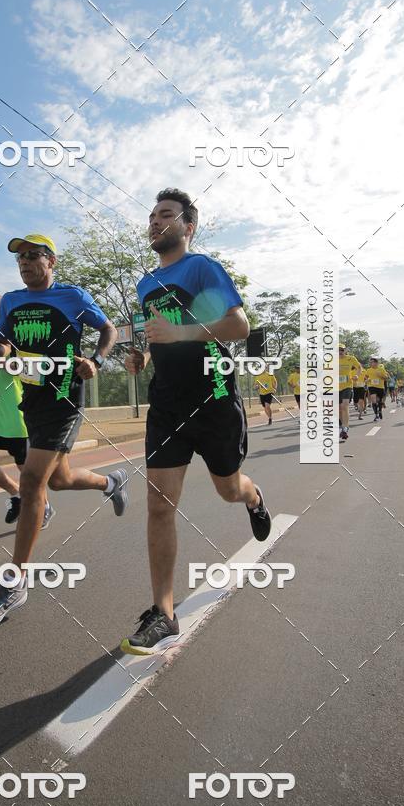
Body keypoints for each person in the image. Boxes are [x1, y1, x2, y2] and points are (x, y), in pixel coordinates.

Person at [120, 188, 271, 656]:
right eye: (151, 215)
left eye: (165, 214)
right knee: (159, 505)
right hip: (167, 404)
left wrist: (181, 332)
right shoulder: (145, 284)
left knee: (229, 489)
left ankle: (254, 496)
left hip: (214, 397)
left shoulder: (202, 268)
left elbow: (239, 326)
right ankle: (164, 614)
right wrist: (142, 356)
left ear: (187, 227)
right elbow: (155, 336)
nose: (154, 221)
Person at [0, 234, 126, 628]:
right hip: (32, 400)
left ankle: (15, 582)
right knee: (59, 479)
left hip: (65, 397)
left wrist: (96, 360)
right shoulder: (12, 301)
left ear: (51, 261)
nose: (24, 262)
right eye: (19, 258)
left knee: (32, 479)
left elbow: (109, 330)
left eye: (32, 255)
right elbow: (4, 346)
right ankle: (110, 482)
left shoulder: (73, 296)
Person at [0, 293, 54, 527]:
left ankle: (45, 507)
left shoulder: (12, 340)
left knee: (29, 474)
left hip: (16, 420)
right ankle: (15, 493)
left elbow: (9, 356)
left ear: (4, 312)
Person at [338, 344, 362, 441]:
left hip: (347, 386)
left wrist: (357, 375)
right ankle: (342, 424)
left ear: (345, 350)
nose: (340, 352)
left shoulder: (351, 358)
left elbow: (359, 367)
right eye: (338, 350)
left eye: (342, 350)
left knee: (345, 406)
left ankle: (345, 428)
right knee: (339, 409)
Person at [366, 357, 389, 422]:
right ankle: (376, 415)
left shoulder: (381, 369)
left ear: (376, 363)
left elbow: (386, 378)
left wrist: (381, 376)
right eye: (370, 362)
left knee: (379, 401)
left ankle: (380, 411)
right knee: (373, 400)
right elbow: (366, 377)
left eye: (372, 362)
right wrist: (367, 380)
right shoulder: (368, 370)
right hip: (372, 386)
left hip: (380, 387)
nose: (370, 363)